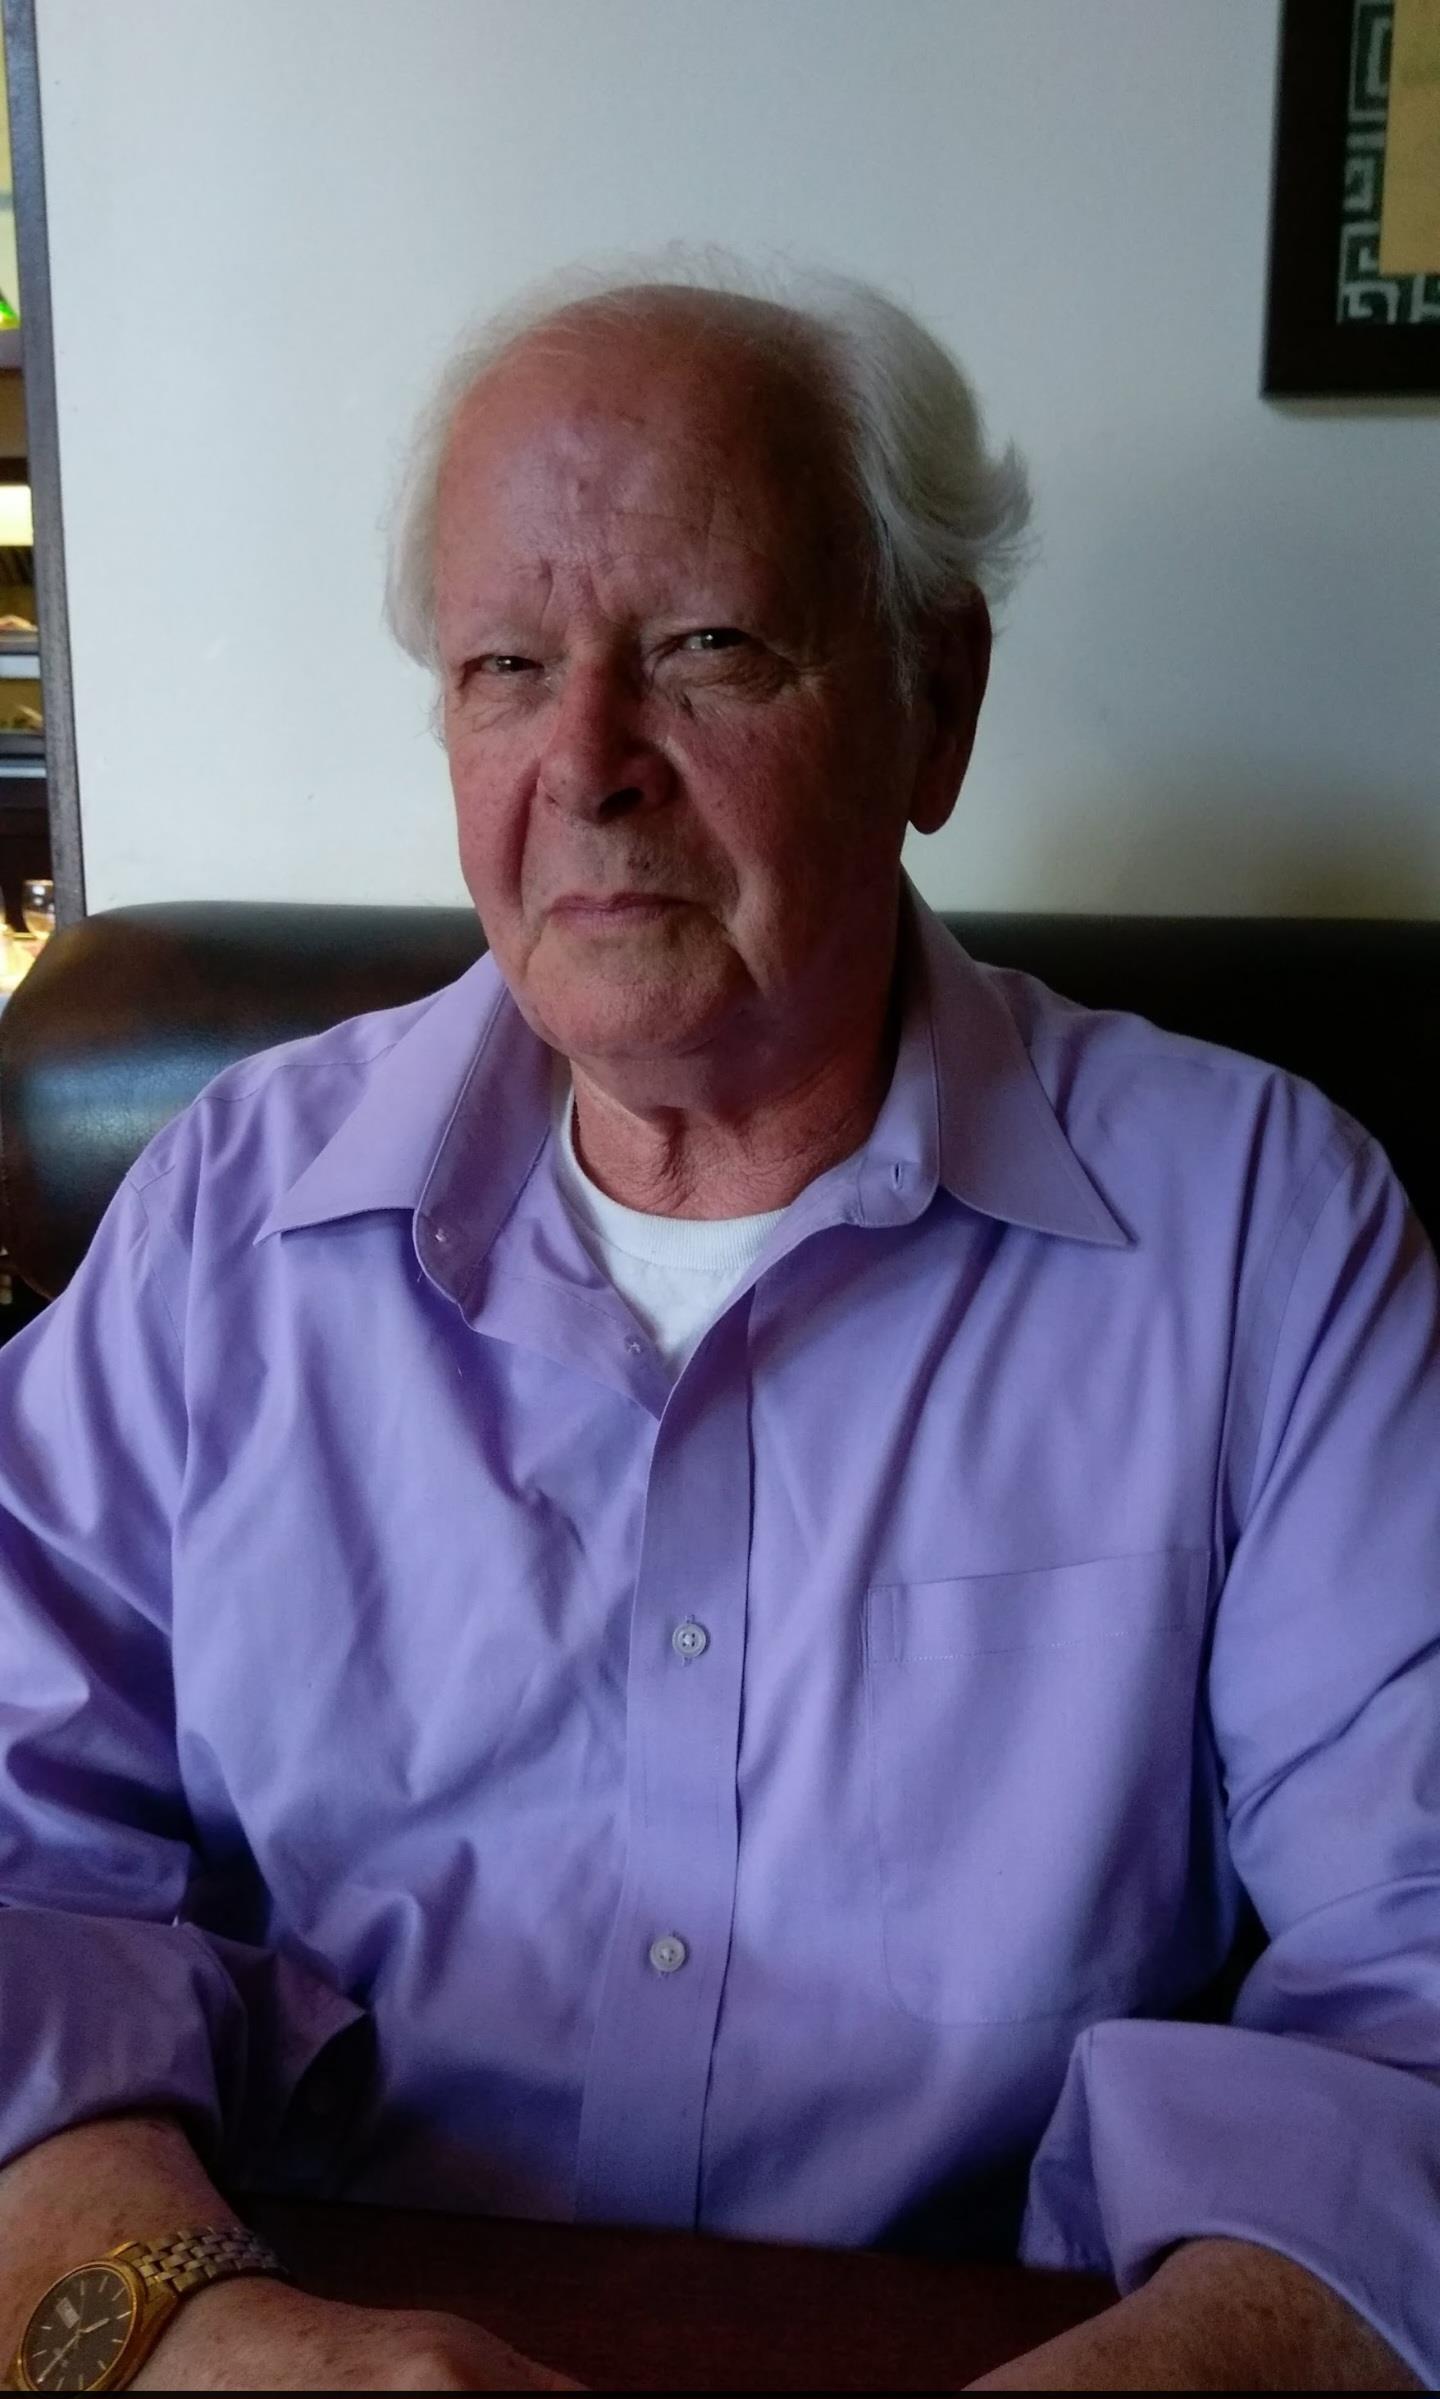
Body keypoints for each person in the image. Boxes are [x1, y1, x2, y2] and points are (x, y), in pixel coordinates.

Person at [1, 251, 1436, 2394]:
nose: (587, 762)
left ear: (933, 701)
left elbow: (1415, 1989)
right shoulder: (224, 1215)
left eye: (705, 649)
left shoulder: (1265, 1235)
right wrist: (172, 2331)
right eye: (504, 665)